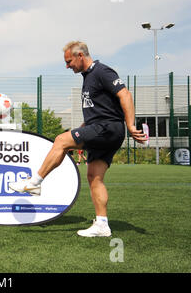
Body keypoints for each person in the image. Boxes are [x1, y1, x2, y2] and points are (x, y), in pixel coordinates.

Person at [9, 41, 146, 237]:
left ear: (80, 55)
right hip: (102, 129)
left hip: (108, 128)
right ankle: (102, 225)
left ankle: (34, 182)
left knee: (61, 141)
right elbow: (99, 110)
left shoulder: (101, 71)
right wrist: (83, 128)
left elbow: (125, 94)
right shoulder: (88, 77)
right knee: (94, 178)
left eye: (69, 61)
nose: (67, 66)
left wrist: (131, 125)